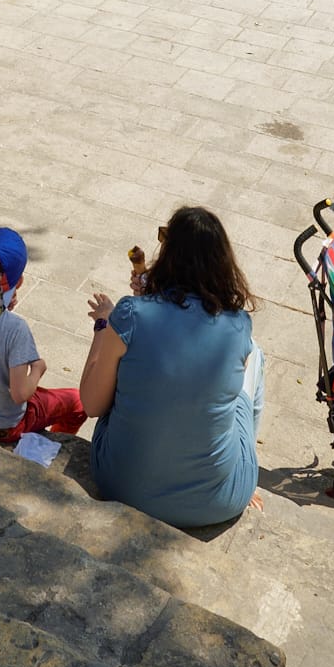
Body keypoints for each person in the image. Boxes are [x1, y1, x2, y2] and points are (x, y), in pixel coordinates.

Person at [80, 206, 264, 529]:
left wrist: (104, 327)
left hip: (120, 484)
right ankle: (243, 471)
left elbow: (92, 404)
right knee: (255, 356)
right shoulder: (238, 326)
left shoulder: (129, 314)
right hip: (216, 502)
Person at [0, 228, 85, 444]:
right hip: (4, 426)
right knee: (78, 401)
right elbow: (20, 394)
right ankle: (58, 441)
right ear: (19, 282)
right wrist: (38, 369)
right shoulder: (15, 329)